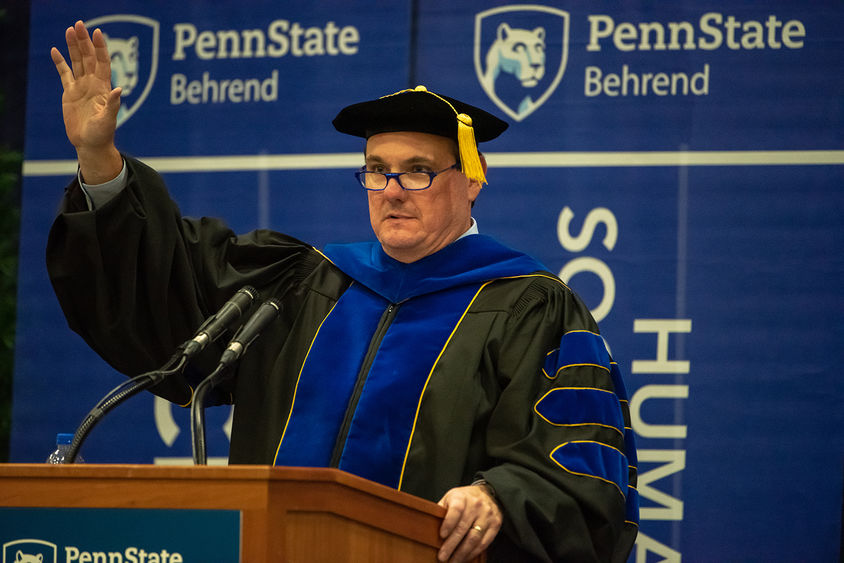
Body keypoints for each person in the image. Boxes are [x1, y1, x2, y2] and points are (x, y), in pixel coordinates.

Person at [47, 21, 639, 562]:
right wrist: (98, 157)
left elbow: (579, 460)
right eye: (377, 170)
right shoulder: (304, 283)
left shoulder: (528, 306)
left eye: (418, 170)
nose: (392, 190)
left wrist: (498, 496)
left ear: (472, 182)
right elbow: (166, 286)